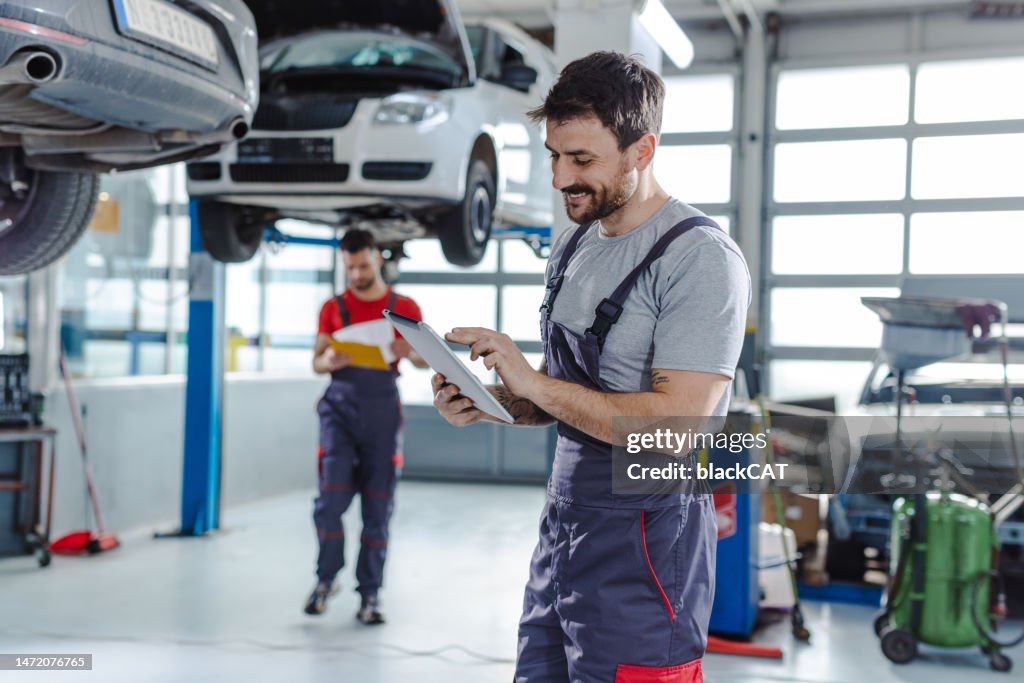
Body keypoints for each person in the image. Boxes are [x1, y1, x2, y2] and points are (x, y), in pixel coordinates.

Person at [432, 52, 751, 682]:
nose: (560, 178)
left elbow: (676, 428)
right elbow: (566, 396)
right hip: (566, 529)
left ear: (642, 149)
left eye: (582, 160)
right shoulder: (575, 243)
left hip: (648, 544)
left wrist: (533, 382)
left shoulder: (700, 261)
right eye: (554, 154)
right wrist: (497, 400)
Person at [306, 228, 428, 623]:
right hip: (338, 410)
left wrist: (408, 350)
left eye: (362, 265)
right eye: (350, 267)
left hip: (381, 411)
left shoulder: (405, 306)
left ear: (377, 257)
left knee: (378, 507)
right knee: (329, 505)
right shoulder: (332, 308)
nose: (356, 274)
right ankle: (327, 578)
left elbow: (427, 361)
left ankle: (370, 595)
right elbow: (317, 361)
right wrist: (330, 362)